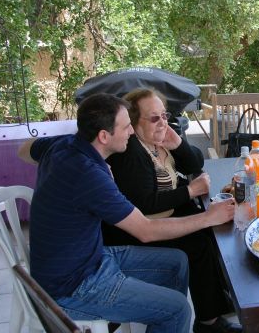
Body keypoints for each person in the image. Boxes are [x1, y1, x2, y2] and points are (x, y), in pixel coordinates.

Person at [18, 93, 235, 333]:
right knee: (179, 309)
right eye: (126, 127)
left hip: (92, 257)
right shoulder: (89, 176)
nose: (131, 132)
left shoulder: (66, 145)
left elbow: (24, 149)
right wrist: (208, 218)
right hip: (73, 287)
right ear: (103, 136)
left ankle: (163, 320)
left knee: (178, 262)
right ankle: (168, 317)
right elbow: (146, 231)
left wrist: (86, 165)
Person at [102, 88, 241, 333]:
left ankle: (217, 306)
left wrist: (177, 144)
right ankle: (209, 321)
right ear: (134, 123)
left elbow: (195, 163)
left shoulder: (158, 142)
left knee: (215, 232)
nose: (163, 122)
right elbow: (144, 203)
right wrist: (190, 191)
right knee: (198, 244)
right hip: (132, 234)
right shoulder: (131, 152)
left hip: (163, 215)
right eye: (154, 118)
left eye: (164, 115)